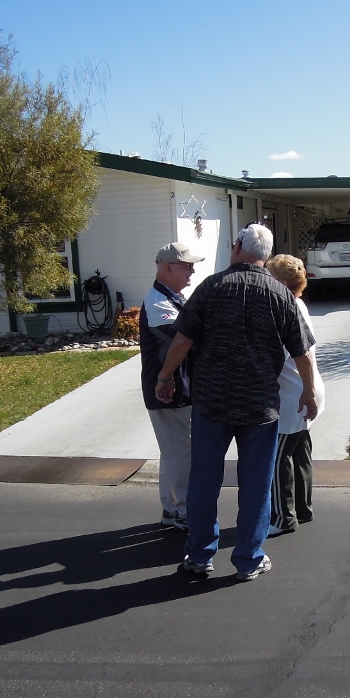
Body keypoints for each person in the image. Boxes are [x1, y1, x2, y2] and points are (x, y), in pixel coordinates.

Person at [154, 224, 319, 581]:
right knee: (256, 484)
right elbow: (301, 351)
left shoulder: (211, 288)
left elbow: (182, 339)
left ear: (237, 247)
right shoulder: (281, 294)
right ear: (267, 255)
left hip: (212, 403)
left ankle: (199, 556)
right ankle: (248, 558)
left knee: (204, 481)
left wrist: (165, 377)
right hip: (259, 407)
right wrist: (308, 391)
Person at [140, 241, 204, 533]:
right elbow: (181, 336)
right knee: (182, 454)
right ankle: (186, 511)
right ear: (167, 268)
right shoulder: (157, 303)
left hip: (176, 391)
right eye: (186, 265)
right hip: (169, 392)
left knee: (172, 452)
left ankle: (170, 508)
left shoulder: (172, 298)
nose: (192, 270)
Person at [265, 254, 324, 536]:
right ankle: (302, 508)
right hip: (308, 390)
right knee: (300, 450)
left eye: (269, 276)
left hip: (293, 396)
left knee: (277, 458)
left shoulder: (285, 307)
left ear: (282, 282)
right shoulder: (299, 304)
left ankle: (281, 517)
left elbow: (281, 354)